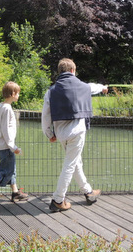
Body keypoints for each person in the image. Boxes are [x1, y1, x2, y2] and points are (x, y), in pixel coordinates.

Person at [42, 58, 108, 212]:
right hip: (77, 133)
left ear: (60, 71)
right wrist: (104, 87)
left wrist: (49, 133)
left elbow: (45, 115)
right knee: (70, 164)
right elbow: (92, 87)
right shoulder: (82, 86)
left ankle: (88, 192)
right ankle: (58, 200)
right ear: (73, 70)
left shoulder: (50, 91)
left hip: (60, 134)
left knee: (75, 161)